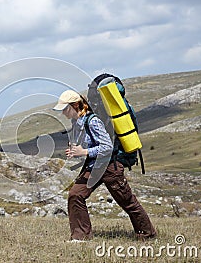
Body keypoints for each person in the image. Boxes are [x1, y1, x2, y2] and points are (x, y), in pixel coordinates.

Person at [53, 90, 156, 242]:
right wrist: (76, 150)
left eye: (64, 109)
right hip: (93, 166)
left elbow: (107, 146)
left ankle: (148, 235)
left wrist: (85, 151)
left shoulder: (93, 121)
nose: (62, 113)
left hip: (109, 167)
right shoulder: (77, 122)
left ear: (75, 106)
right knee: (75, 195)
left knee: (127, 202)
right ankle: (80, 237)